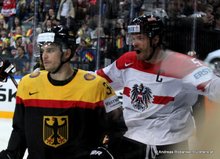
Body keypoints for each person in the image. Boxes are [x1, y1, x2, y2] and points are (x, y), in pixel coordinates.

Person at [95, 14, 220, 159]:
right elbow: (97, 81)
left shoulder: (182, 65)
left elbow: (214, 85)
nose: (134, 43)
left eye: (140, 38)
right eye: (133, 38)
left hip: (169, 144)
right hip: (132, 140)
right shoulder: (127, 61)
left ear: (155, 39)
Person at [0, 25, 126, 159]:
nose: (44, 56)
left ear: (67, 53)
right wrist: (11, 153)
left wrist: (105, 148)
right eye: (43, 50)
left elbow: (117, 127)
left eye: (50, 50)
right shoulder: (28, 84)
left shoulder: (97, 85)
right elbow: (20, 130)